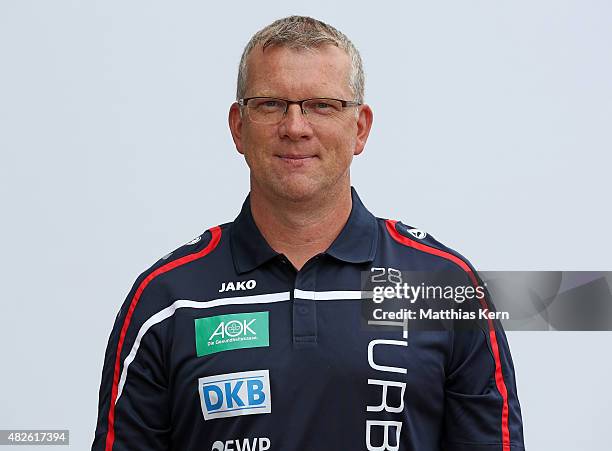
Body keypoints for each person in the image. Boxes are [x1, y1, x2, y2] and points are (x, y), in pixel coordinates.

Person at [92, 15, 524, 451]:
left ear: (360, 128)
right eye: (270, 104)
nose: (295, 127)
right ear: (238, 127)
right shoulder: (168, 299)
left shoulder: (443, 286)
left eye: (322, 105)